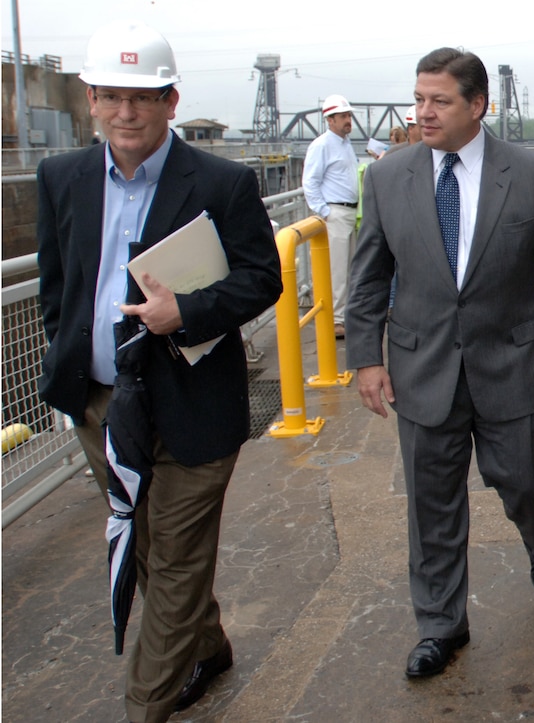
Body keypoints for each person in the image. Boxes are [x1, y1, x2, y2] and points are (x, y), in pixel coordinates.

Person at [35, 20, 282, 722]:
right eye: (111, 96)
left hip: (195, 400)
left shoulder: (223, 181)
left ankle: (144, 704)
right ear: (90, 100)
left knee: (173, 557)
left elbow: (262, 276)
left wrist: (190, 311)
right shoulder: (63, 177)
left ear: (172, 101)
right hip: (103, 407)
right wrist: (72, 369)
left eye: (142, 97)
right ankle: (206, 645)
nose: (125, 112)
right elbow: (61, 288)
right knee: (143, 543)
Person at [345, 47, 534, 679]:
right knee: (432, 507)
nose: (423, 112)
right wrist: (366, 358)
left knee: (529, 485)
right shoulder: (388, 178)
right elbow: (368, 281)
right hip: (422, 370)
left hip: (513, 364)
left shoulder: (532, 175)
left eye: (439, 101)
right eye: (419, 99)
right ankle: (441, 626)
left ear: (478, 105)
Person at [303, 93, 360, 339]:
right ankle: (336, 320)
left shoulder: (345, 144)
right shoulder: (322, 145)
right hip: (336, 211)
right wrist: (324, 212)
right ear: (330, 119)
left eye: (349, 115)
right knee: (337, 269)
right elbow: (310, 181)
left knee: (350, 268)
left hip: (350, 212)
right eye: (344, 116)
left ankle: (345, 316)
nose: (348, 120)